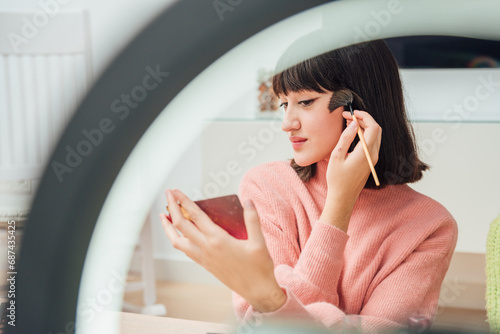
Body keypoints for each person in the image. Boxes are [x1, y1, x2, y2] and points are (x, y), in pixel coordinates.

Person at [159, 39, 458, 333]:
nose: (287, 123)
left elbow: (272, 315)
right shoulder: (266, 187)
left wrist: (340, 201)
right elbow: (265, 324)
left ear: (357, 109)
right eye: (284, 104)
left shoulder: (430, 226)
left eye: (305, 102)